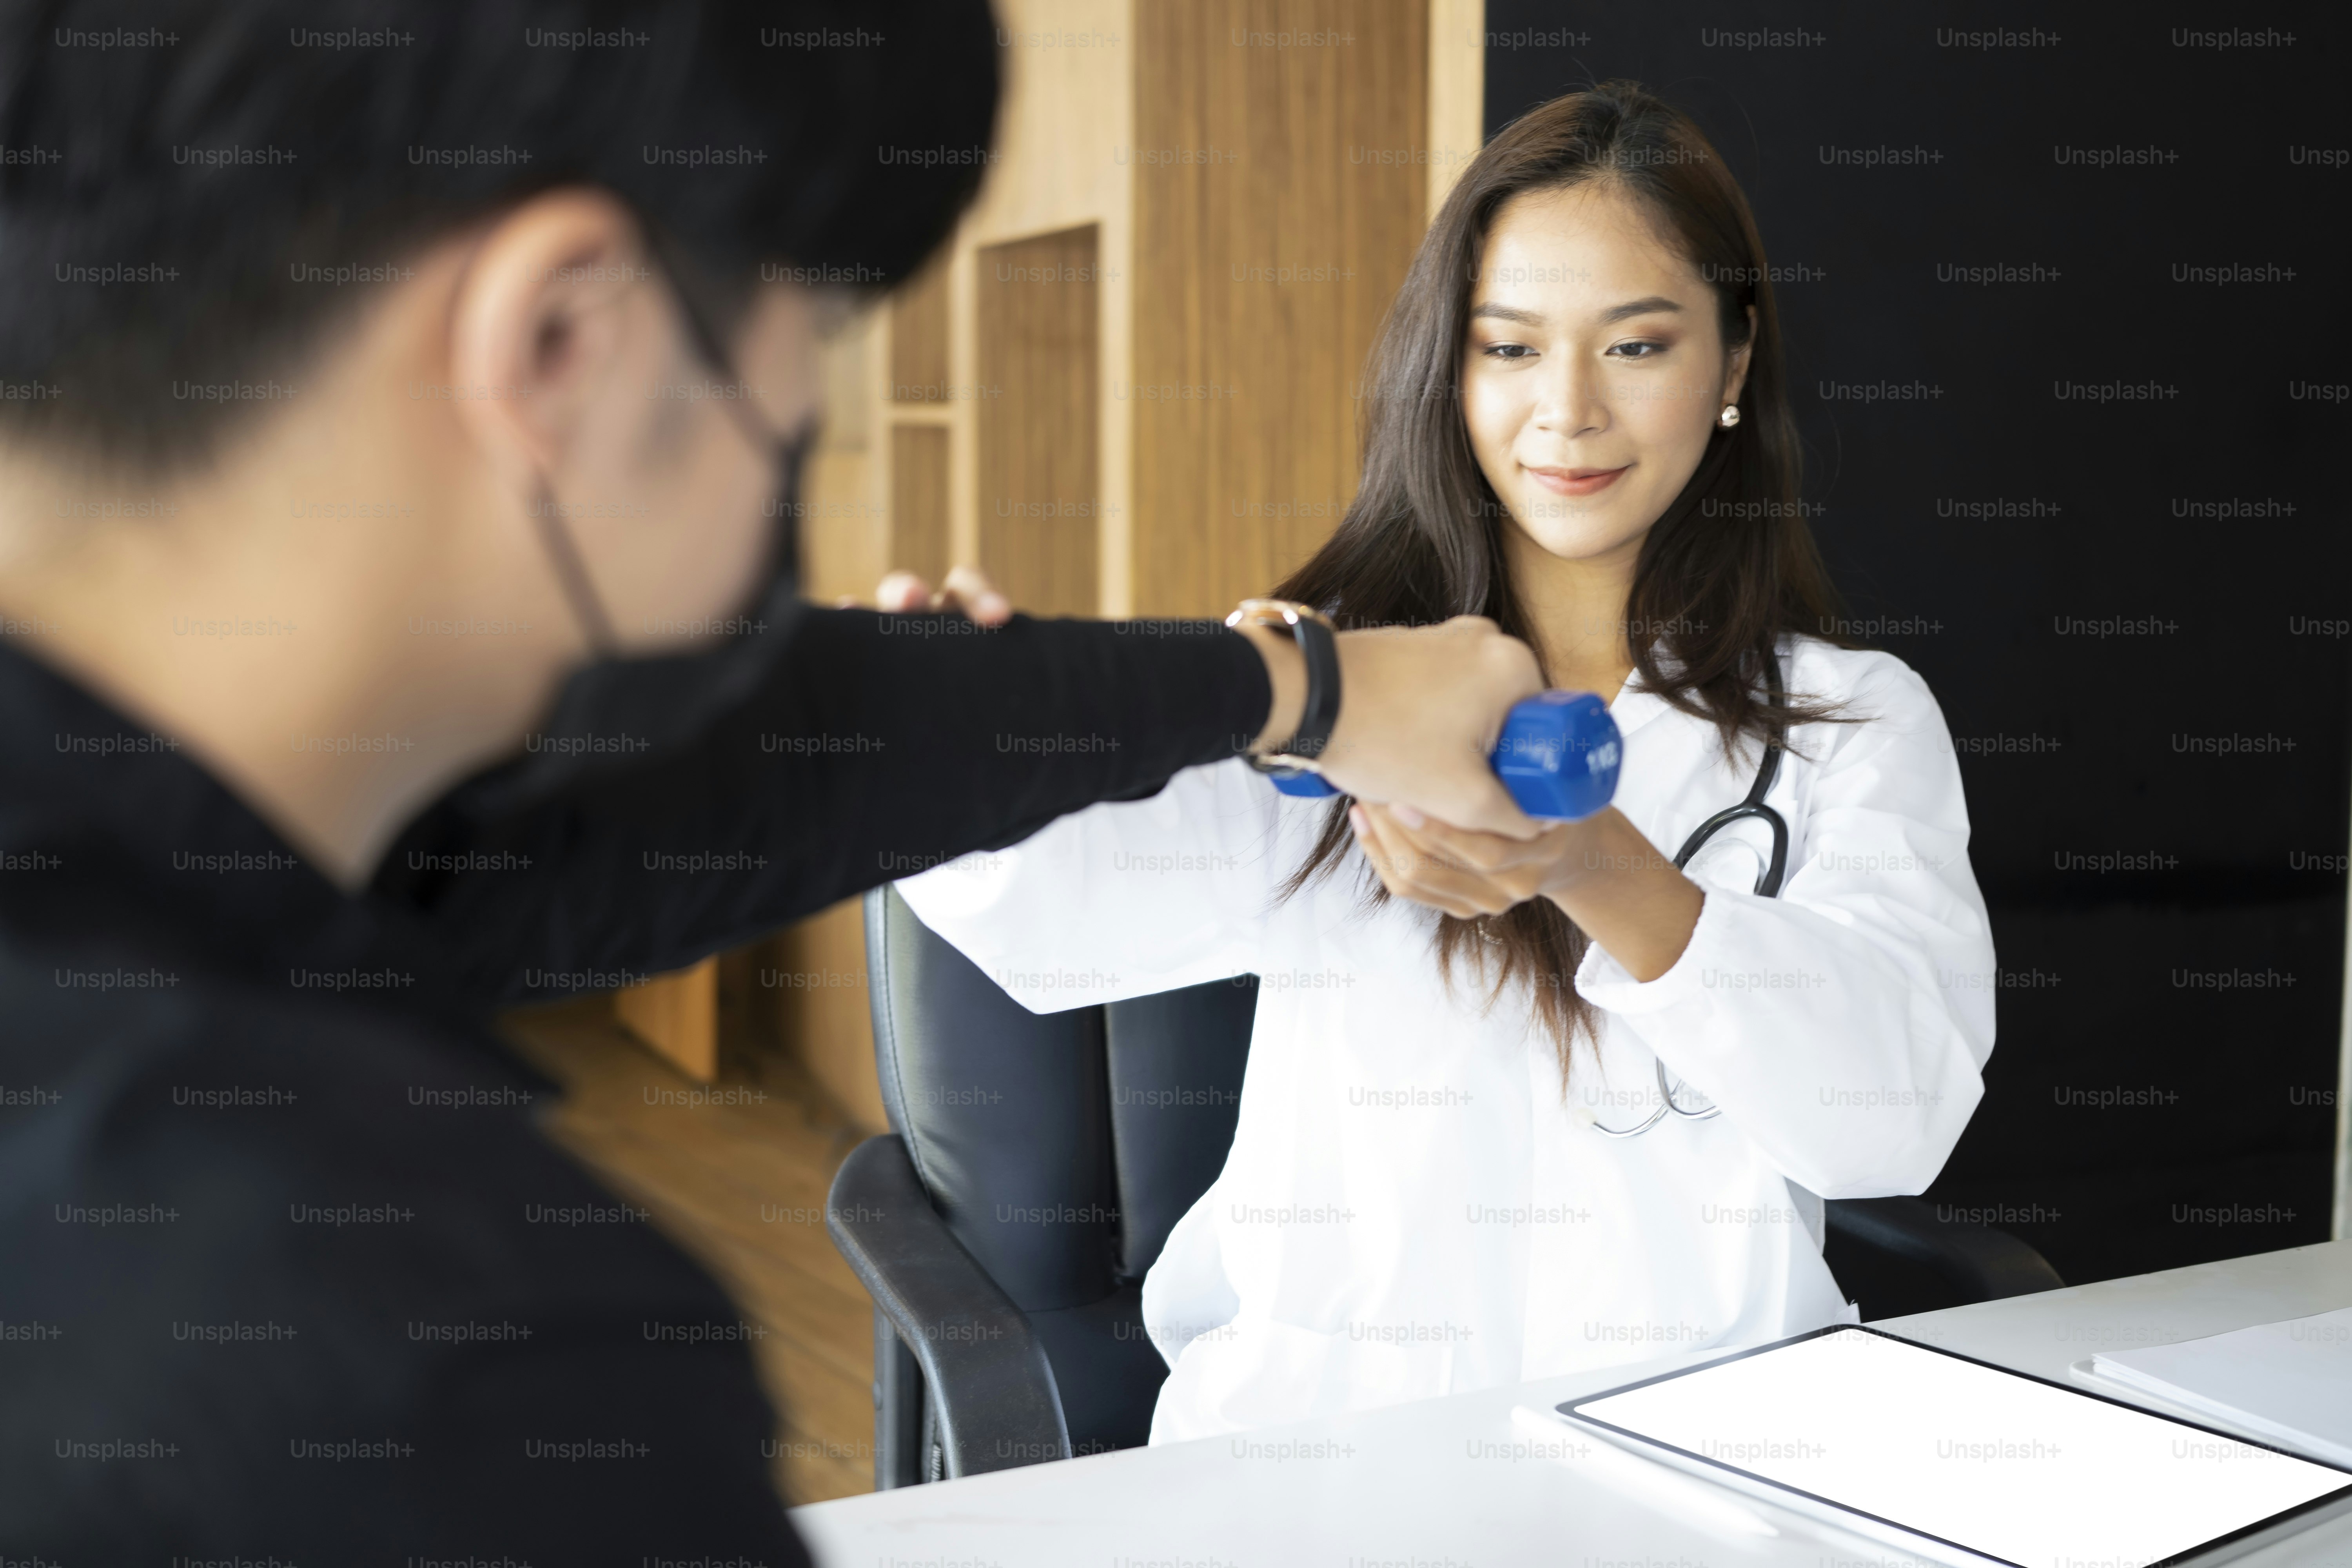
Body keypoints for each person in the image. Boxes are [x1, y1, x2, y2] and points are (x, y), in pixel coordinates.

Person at [0, 4, 1546, 1560]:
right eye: (808, 357)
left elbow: (722, 776)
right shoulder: (442, 1370)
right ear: (561, 344)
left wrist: (1306, 690)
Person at [896, 82, 1998, 1442]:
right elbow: (1048, 912)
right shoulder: (1341, 692)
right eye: (1512, 349)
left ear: (1731, 365)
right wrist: (943, 726)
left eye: (1638, 347)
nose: (1570, 412)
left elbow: (1890, 1121)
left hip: (1714, 1450)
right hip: (1332, 1457)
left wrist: (1595, 862)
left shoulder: (1850, 723)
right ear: (1452, 370)